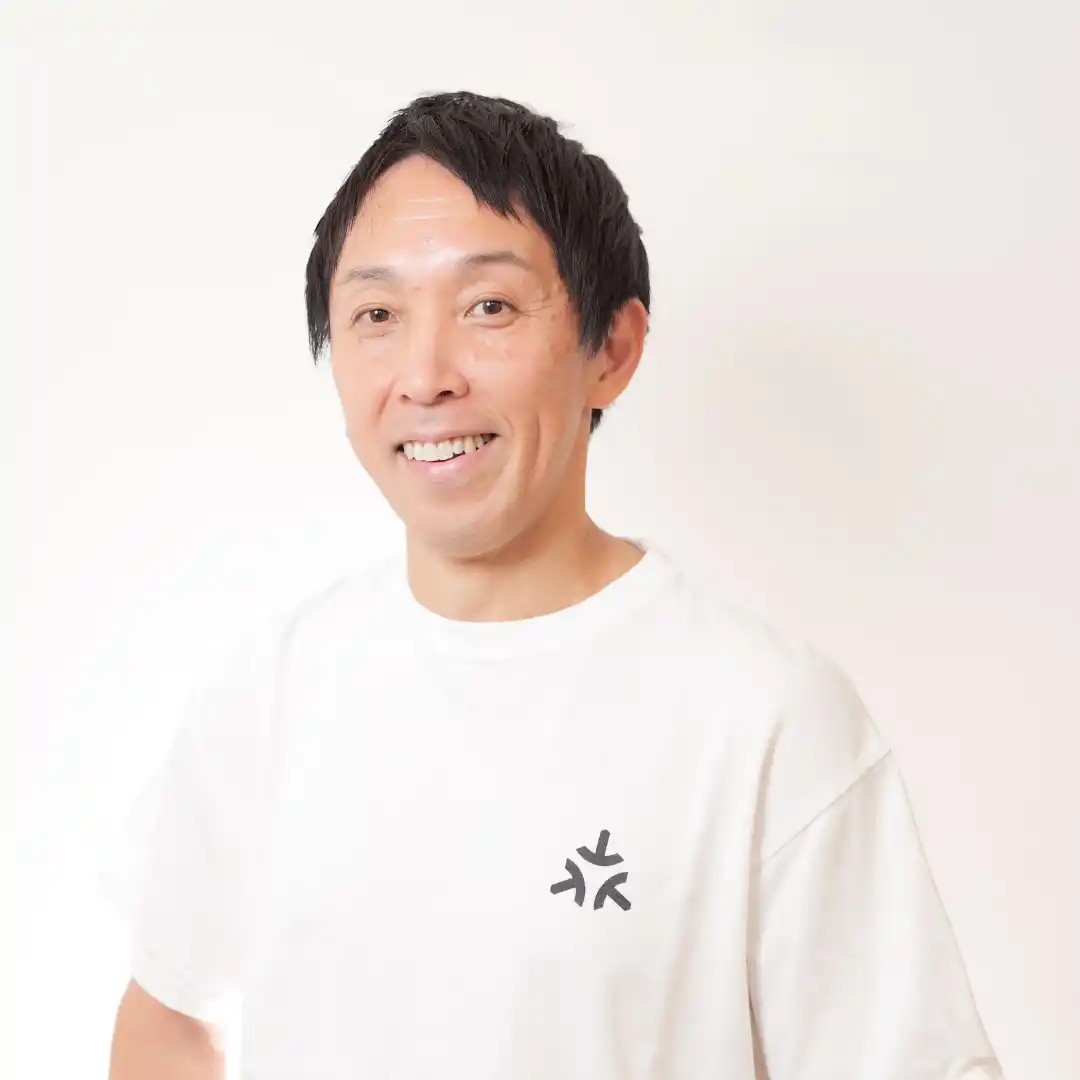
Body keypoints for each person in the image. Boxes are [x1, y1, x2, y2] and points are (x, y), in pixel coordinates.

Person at [104, 90, 1004, 1079]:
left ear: (611, 351)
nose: (425, 375)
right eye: (377, 315)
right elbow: (169, 1020)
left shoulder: (764, 716)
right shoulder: (265, 692)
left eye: (488, 306)